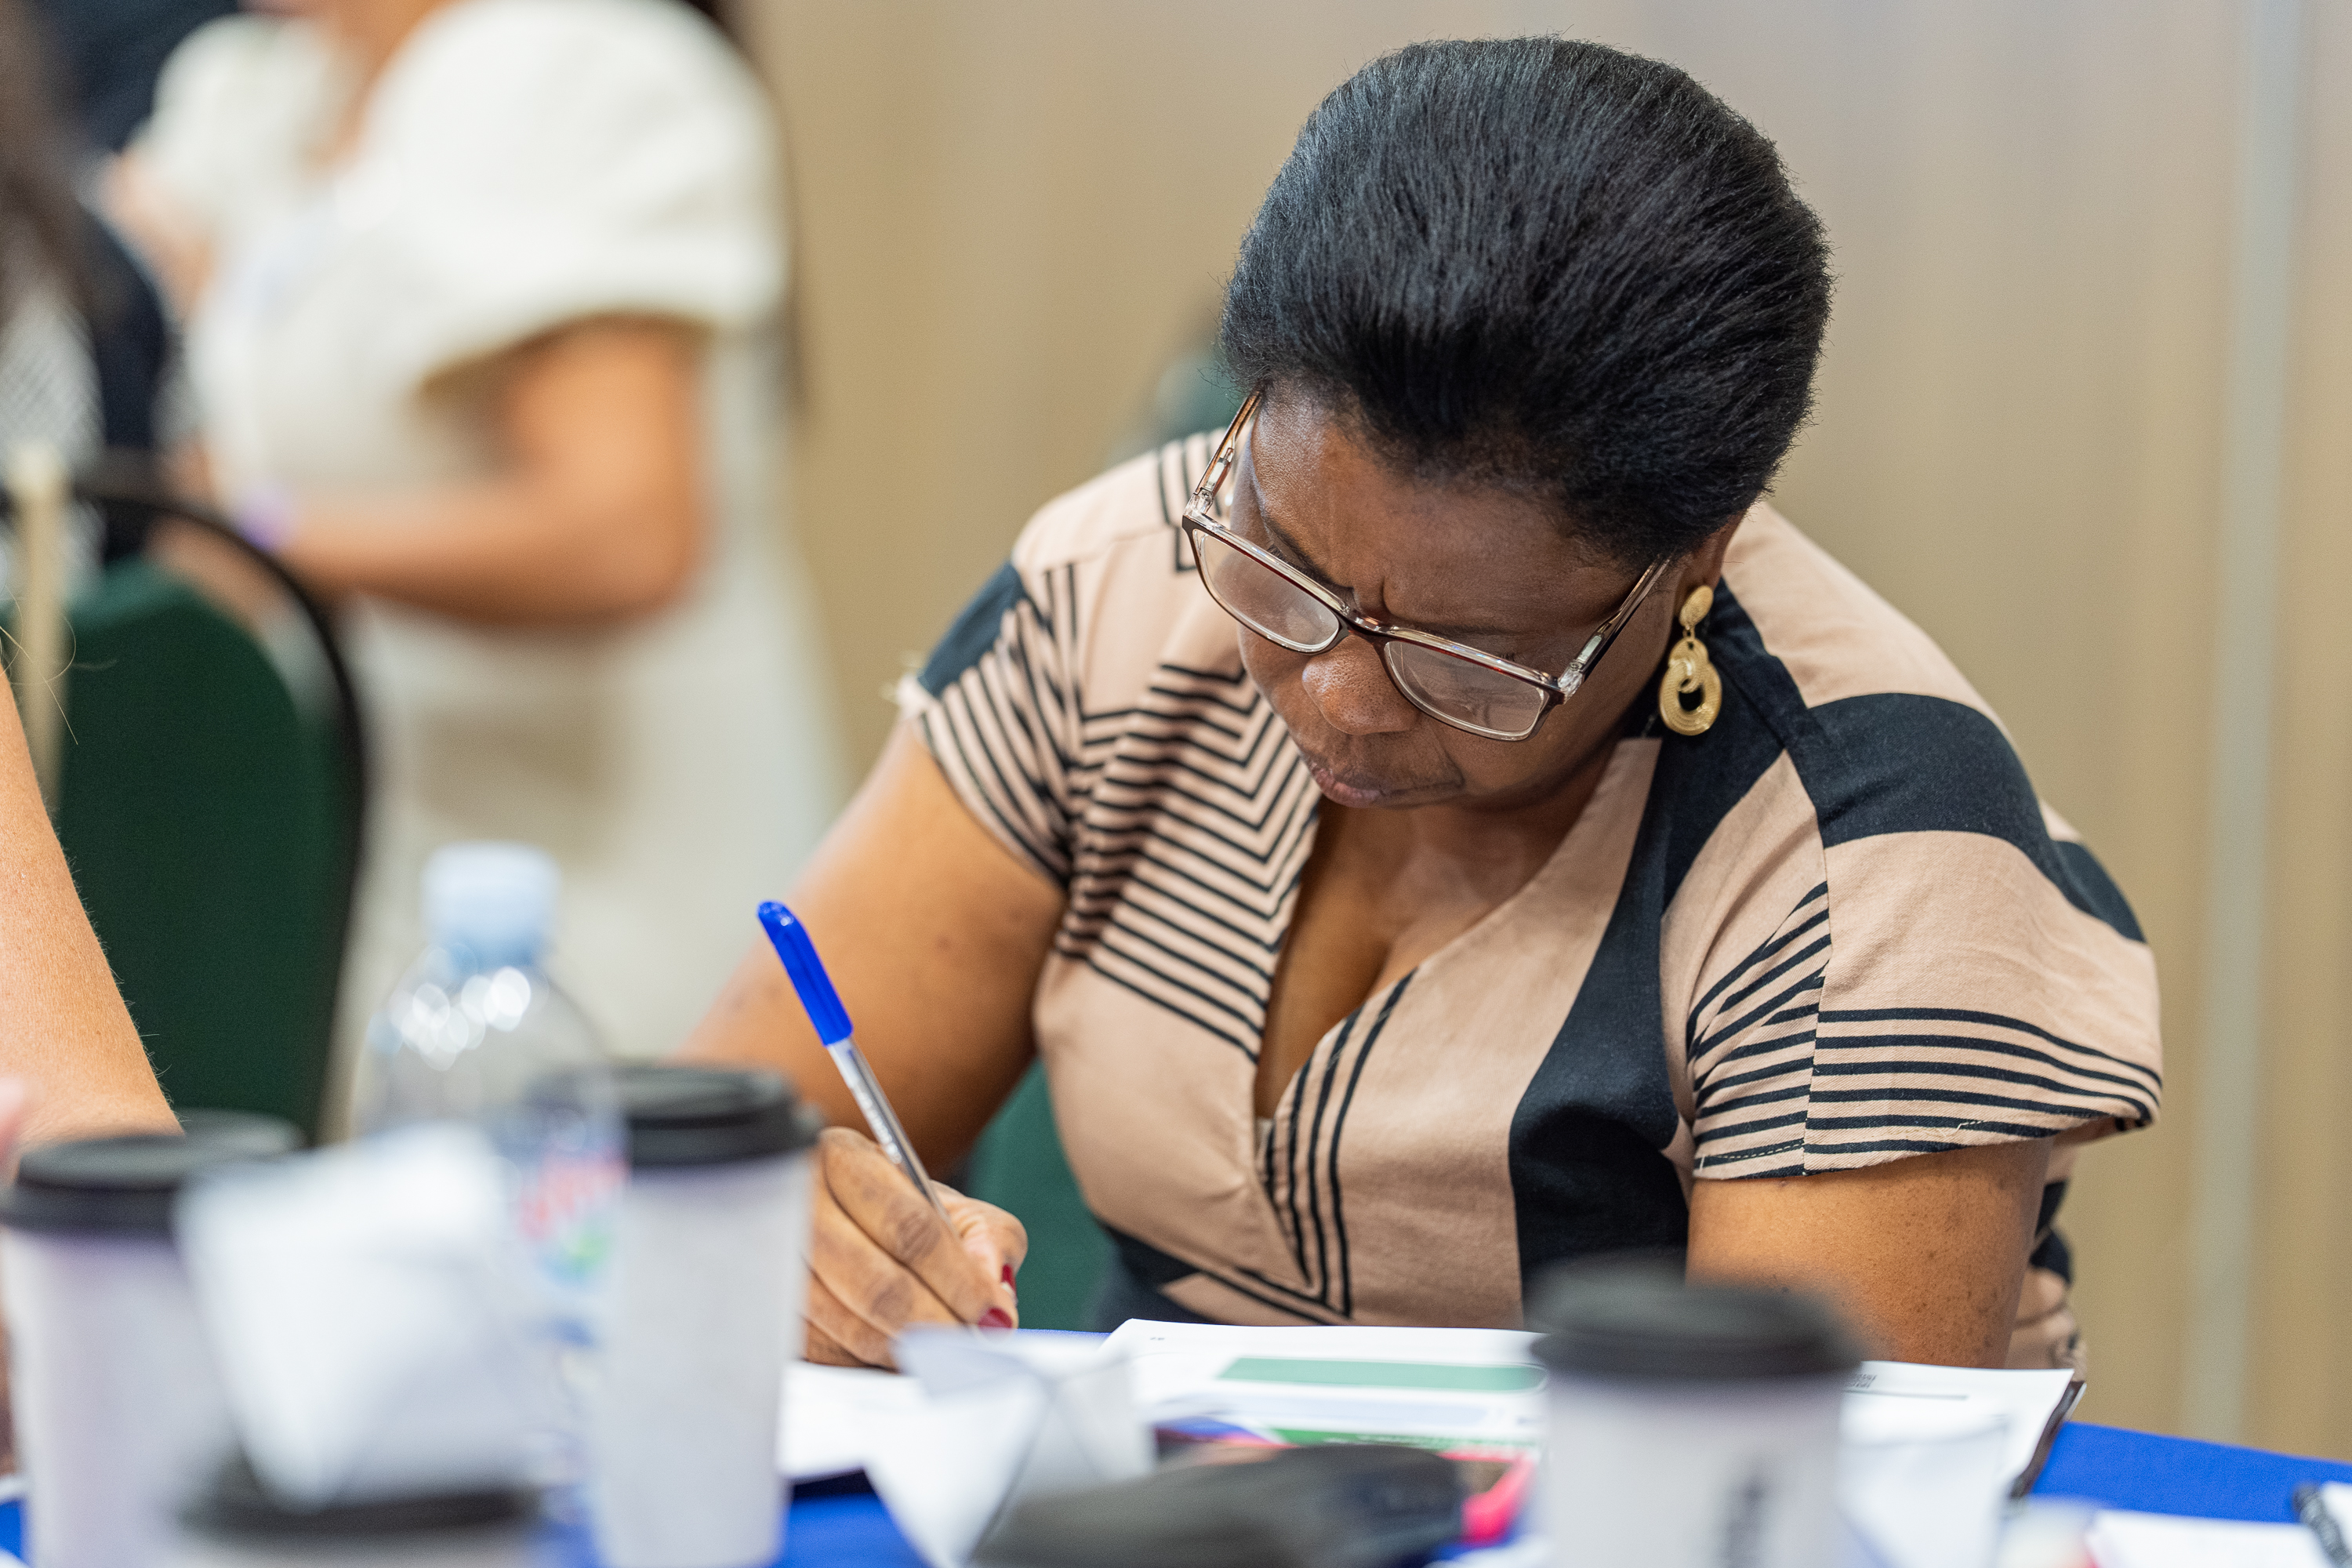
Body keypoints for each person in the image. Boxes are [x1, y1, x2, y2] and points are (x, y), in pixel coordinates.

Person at [683, 38, 2161, 1370]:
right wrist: (793, 1239)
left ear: (1694, 556)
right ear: (1244, 411)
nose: (1336, 701)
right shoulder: (1115, 590)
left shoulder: (1864, 850)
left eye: (1468, 659)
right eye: (1285, 566)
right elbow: (695, 1172)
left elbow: (1778, 1499)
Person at [107, 0, 844, 1069]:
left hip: (590, 890)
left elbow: (626, 533)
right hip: (383, 856)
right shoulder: (268, 91)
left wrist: (262, 534)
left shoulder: (562, 72)